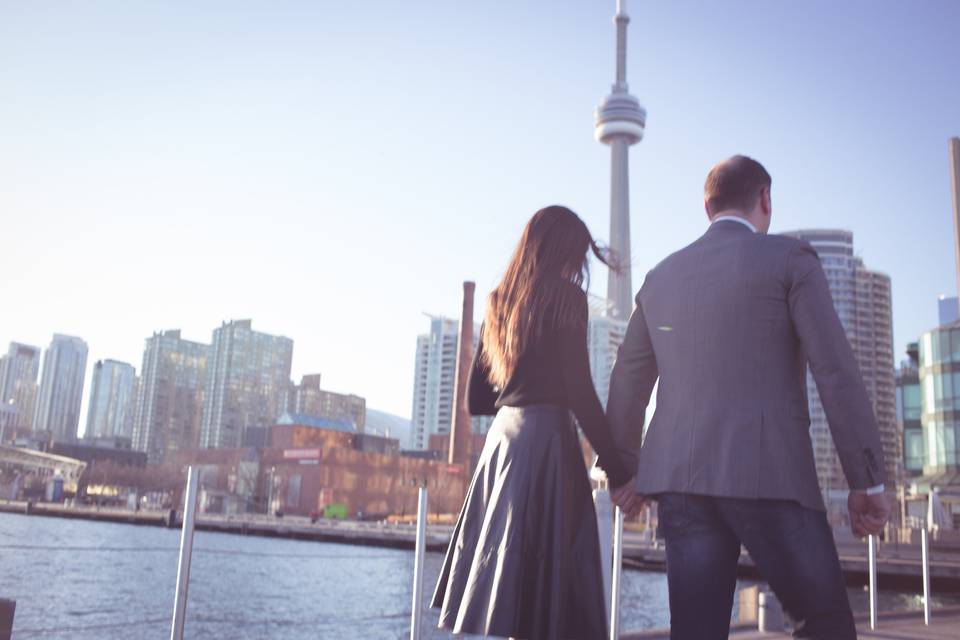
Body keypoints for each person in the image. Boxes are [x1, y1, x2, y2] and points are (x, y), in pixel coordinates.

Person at [606, 155, 891, 639]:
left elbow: (627, 380)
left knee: (695, 631)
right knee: (824, 623)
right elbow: (835, 371)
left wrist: (622, 470)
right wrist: (866, 480)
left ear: (707, 206)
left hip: (680, 482)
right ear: (765, 199)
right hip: (772, 476)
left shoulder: (660, 278)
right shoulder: (790, 259)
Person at [431, 205, 635, 639]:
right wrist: (618, 470)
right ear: (563, 252)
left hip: (503, 446)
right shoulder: (566, 298)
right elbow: (580, 391)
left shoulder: (500, 301)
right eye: (576, 256)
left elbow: (477, 400)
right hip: (545, 445)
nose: (576, 267)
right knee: (550, 593)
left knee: (511, 586)